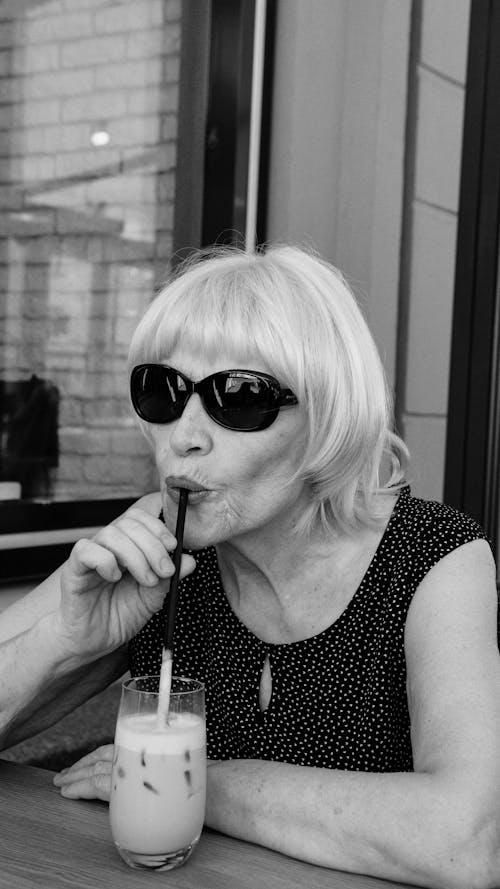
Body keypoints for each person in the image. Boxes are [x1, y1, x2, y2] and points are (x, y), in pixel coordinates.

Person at [0, 245, 499, 889]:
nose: (184, 435)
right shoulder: (157, 541)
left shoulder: (435, 557)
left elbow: (467, 839)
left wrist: (201, 784)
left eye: (237, 397)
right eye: (163, 391)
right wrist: (64, 641)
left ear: (328, 417)